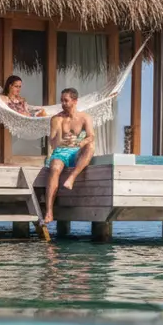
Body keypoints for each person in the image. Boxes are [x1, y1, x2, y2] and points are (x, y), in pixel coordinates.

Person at [42, 88, 95, 224]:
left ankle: (71, 178)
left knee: (91, 146)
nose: (63, 104)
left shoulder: (85, 117)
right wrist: (61, 138)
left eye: (66, 101)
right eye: (62, 101)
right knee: (54, 167)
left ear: (75, 101)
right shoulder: (57, 118)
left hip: (76, 151)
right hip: (61, 151)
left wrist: (80, 142)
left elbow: (91, 136)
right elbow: (53, 143)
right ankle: (49, 211)